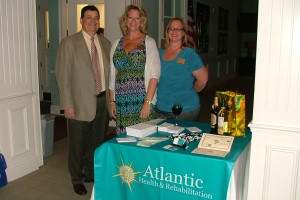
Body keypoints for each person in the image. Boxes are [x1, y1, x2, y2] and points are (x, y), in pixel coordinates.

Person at [55, 5, 111, 195]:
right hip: (78, 103)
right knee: (77, 144)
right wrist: (67, 104)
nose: (93, 22)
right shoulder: (69, 43)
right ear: (81, 20)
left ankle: (89, 172)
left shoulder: (105, 42)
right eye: (89, 18)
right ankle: (76, 177)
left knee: (96, 141)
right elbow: (63, 77)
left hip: (102, 100)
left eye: (96, 18)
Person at [109, 5, 161, 133]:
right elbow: (112, 75)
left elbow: (155, 76)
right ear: (125, 20)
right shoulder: (116, 43)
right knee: (124, 140)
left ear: (141, 21)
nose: (133, 21)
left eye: (137, 18)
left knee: (143, 140)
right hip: (121, 102)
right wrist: (112, 102)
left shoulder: (149, 42)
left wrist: (147, 103)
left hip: (141, 100)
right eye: (130, 18)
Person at [155, 17, 208, 121]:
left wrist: (192, 90)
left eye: (178, 29)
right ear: (167, 31)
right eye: (171, 28)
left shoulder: (189, 54)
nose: (174, 31)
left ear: (183, 33)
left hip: (184, 110)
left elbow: (203, 79)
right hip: (160, 109)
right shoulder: (159, 52)